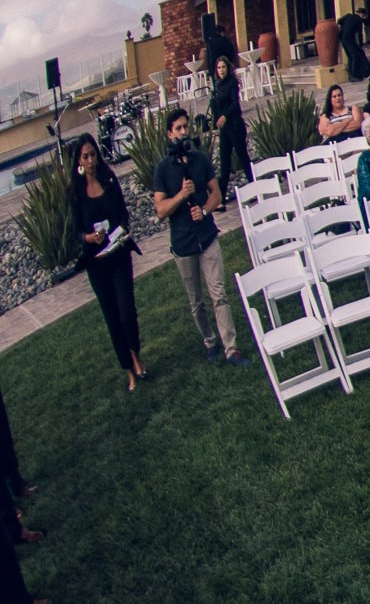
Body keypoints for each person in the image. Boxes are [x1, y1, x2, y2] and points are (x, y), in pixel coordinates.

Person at [150, 109, 246, 366]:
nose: (183, 132)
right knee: (196, 302)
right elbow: (160, 210)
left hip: (207, 236)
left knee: (219, 294)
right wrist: (181, 196)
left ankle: (231, 347)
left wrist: (204, 210)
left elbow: (216, 193)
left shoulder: (201, 160)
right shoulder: (162, 169)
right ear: (170, 134)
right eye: (178, 129)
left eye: (186, 127)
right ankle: (209, 341)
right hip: (183, 244)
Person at [68, 138, 146, 392]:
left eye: (93, 155)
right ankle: (128, 369)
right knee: (112, 316)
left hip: (119, 253)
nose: (90, 162)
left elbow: (123, 212)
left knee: (126, 312)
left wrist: (120, 231)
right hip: (97, 262)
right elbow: (76, 231)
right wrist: (89, 238)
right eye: (85, 157)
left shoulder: (109, 180)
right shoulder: (76, 192)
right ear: (78, 161)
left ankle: (136, 353)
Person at [210, 54, 249, 193]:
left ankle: (255, 185)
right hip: (224, 130)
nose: (221, 70)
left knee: (243, 158)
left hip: (235, 126)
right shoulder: (217, 86)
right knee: (224, 162)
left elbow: (235, 105)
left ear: (228, 68)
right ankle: (221, 197)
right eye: (219, 68)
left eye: (223, 67)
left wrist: (225, 116)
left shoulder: (232, 83)